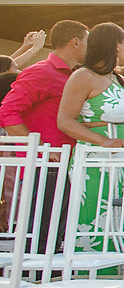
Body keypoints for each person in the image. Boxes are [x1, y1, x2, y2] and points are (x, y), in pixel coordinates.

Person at [0, 20, 88, 251]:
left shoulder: (73, 75)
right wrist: (39, 150)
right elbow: (8, 111)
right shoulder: (41, 72)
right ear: (76, 42)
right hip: (43, 167)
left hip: (60, 164)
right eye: (87, 42)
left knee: (53, 237)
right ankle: (31, 282)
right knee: (41, 238)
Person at [56, 23, 124, 248]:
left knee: (121, 223)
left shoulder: (117, 78)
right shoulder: (83, 76)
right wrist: (105, 140)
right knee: (95, 220)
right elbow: (65, 120)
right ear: (116, 46)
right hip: (97, 162)